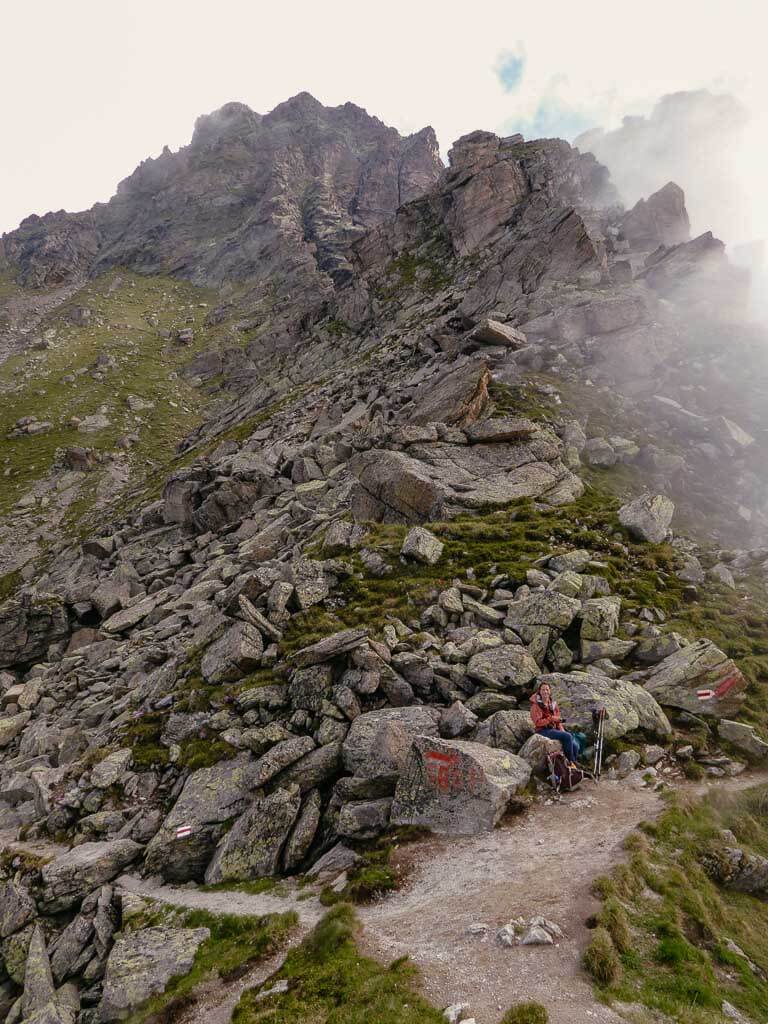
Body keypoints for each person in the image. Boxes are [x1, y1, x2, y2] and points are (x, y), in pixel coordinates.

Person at [529, 682, 581, 763]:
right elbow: (537, 722)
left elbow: (558, 720)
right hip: (542, 730)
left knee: (575, 746)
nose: (545, 692)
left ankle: (574, 762)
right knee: (567, 736)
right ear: (539, 691)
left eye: (547, 689)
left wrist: (562, 730)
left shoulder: (552, 704)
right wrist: (550, 719)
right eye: (543, 690)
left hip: (553, 729)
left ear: (550, 691)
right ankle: (572, 762)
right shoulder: (536, 705)